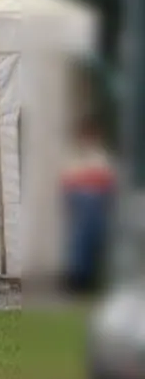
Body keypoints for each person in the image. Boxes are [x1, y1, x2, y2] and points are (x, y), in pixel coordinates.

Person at [61, 116, 116, 294]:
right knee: (81, 238)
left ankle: (88, 276)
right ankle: (80, 276)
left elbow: (107, 181)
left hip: (96, 201)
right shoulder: (76, 157)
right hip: (83, 201)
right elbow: (69, 183)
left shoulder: (100, 156)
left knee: (93, 238)